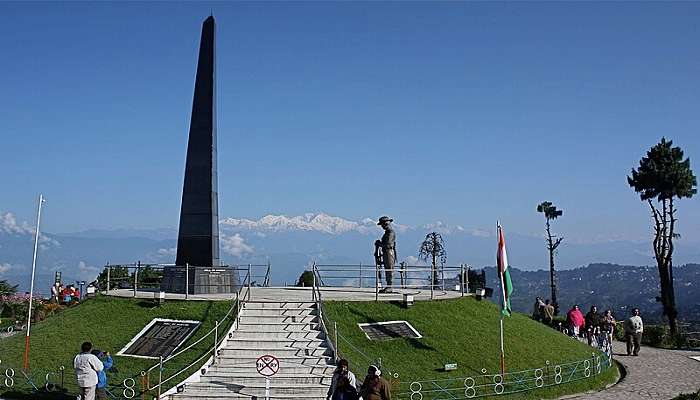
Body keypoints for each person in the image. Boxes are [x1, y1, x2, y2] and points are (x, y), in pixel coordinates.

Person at [376, 216, 396, 294]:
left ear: (385, 224)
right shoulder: (388, 233)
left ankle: (390, 286)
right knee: (387, 268)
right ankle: (388, 285)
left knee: (389, 268)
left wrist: (379, 244)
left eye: (382, 225)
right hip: (386, 252)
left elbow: (388, 245)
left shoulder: (390, 233)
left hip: (389, 252)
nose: (382, 227)